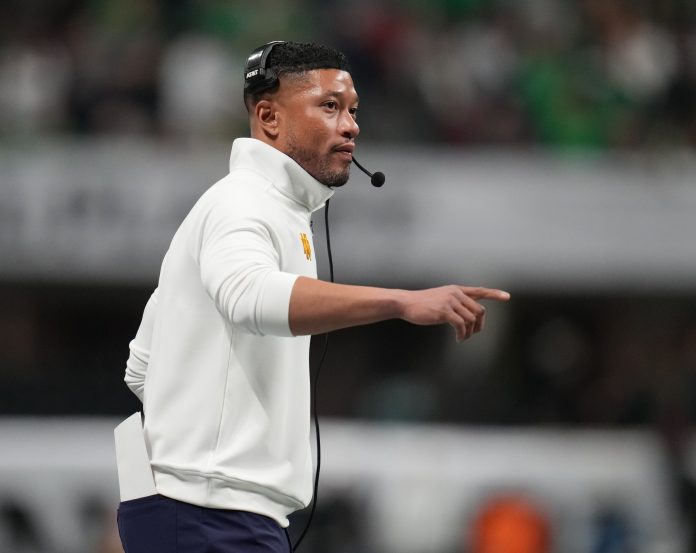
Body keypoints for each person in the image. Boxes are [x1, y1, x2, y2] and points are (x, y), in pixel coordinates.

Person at [118, 41, 510, 553]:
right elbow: (249, 297)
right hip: (208, 514)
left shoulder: (267, 210)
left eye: (352, 110)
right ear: (268, 116)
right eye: (329, 107)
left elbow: (141, 366)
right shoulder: (242, 203)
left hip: (213, 511)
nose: (351, 126)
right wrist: (400, 302)